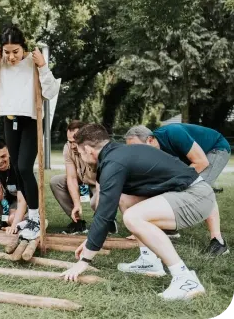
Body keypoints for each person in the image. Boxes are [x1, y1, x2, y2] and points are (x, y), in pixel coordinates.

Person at [62, 124, 214, 301]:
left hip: (196, 196)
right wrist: (90, 240)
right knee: (125, 199)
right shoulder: (117, 154)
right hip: (187, 193)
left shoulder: (114, 162)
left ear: (88, 149)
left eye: (79, 152)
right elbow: (110, 205)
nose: (80, 156)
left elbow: (105, 214)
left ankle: (185, 279)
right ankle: (148, 261)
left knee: (133, 217)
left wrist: (84, 261)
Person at [0, 24, 60, 240]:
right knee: (17, 168)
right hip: (9, 118)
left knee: (25, 167)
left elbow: (50, 91)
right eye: (7, 52)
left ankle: (35, 217)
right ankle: (31, 217)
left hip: (31, 119)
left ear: (23, 47)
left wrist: (43, 67)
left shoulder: (33, 62)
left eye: (15, 51)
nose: (12, 56)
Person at [125, 124, 230, 256]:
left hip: (215, 149)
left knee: (202, 189)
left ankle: (218, 242)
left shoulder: (173, 134)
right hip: (192, 157)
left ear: (150, 140)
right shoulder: (153, 152)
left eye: (137, 148)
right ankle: (170, 230)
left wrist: (173, 185)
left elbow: (201, 162)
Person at [49, 120, 100, 234]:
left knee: (96, 201)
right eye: (69, 141)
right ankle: (78, 223)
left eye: (74, 141)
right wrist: (77, 203)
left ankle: (106, 221)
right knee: (55, 181)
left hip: (99, 183)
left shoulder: (96, 148)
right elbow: (71, 177)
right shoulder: (68, 148)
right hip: (83, 180)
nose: (71, 146)